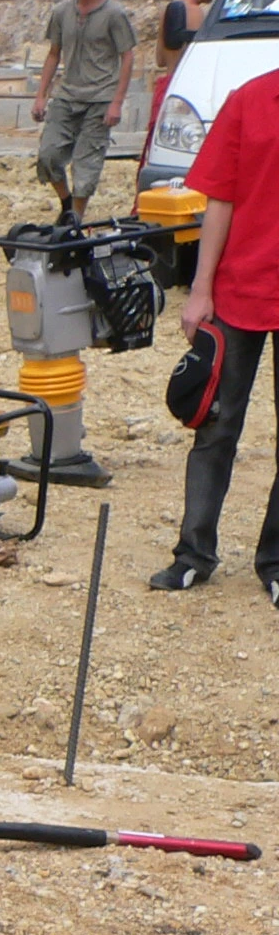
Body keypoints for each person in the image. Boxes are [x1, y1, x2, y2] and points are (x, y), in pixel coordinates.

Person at [153, 66, 279, 597]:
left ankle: (275, 562)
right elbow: (220, 200)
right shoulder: (249, 101)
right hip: (240, 290)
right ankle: (193, 554)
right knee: (216, 426)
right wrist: (200, 289)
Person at [34, 0, 137, 221]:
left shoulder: (114, 14)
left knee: (86, 164)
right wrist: (41, 95)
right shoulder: (61, 13)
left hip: (100, 99)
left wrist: (116, 102)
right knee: (48, 155)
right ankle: (67, 205)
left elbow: (127, 56)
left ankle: (75, 220)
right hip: (67, 96)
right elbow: (53, 54)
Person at [153, 0, 231, 123]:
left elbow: (160, 60)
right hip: (184, 90)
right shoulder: (195, 12)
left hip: (166, 88)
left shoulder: (167, 8)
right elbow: (200, 61)